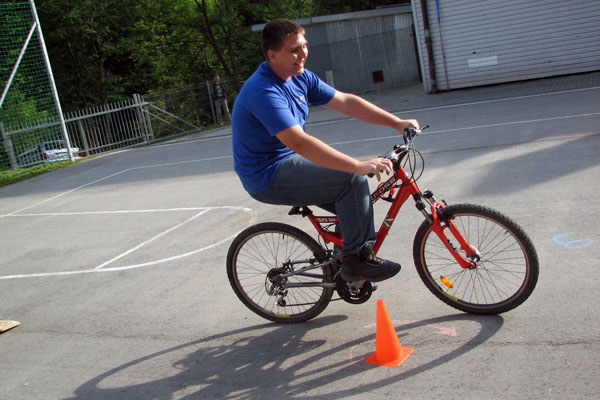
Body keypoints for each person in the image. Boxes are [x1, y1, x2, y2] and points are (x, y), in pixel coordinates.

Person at [232, 18, 420, 282]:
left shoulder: (300, 77)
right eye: (294, 50)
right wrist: (357, 166)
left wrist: (396, 122)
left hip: (288, 160)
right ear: (272, 55)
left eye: (304, 46)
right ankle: (356, 262)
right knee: (351, 180)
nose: (303, 54)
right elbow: (299, 142)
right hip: (266, 175)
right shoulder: (263, 91)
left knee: (356, 203)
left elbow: (346, 102)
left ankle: (344, 263)